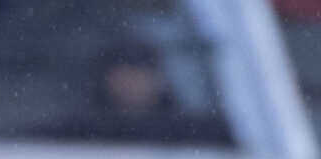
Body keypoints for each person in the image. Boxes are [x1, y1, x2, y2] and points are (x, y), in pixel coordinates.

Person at [49, 36, 228, 146]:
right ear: (107, 78)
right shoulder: (81, 131)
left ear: (158, 77)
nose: (131, 80)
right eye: (122, 70)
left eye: (140, 69)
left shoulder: (190, 131)